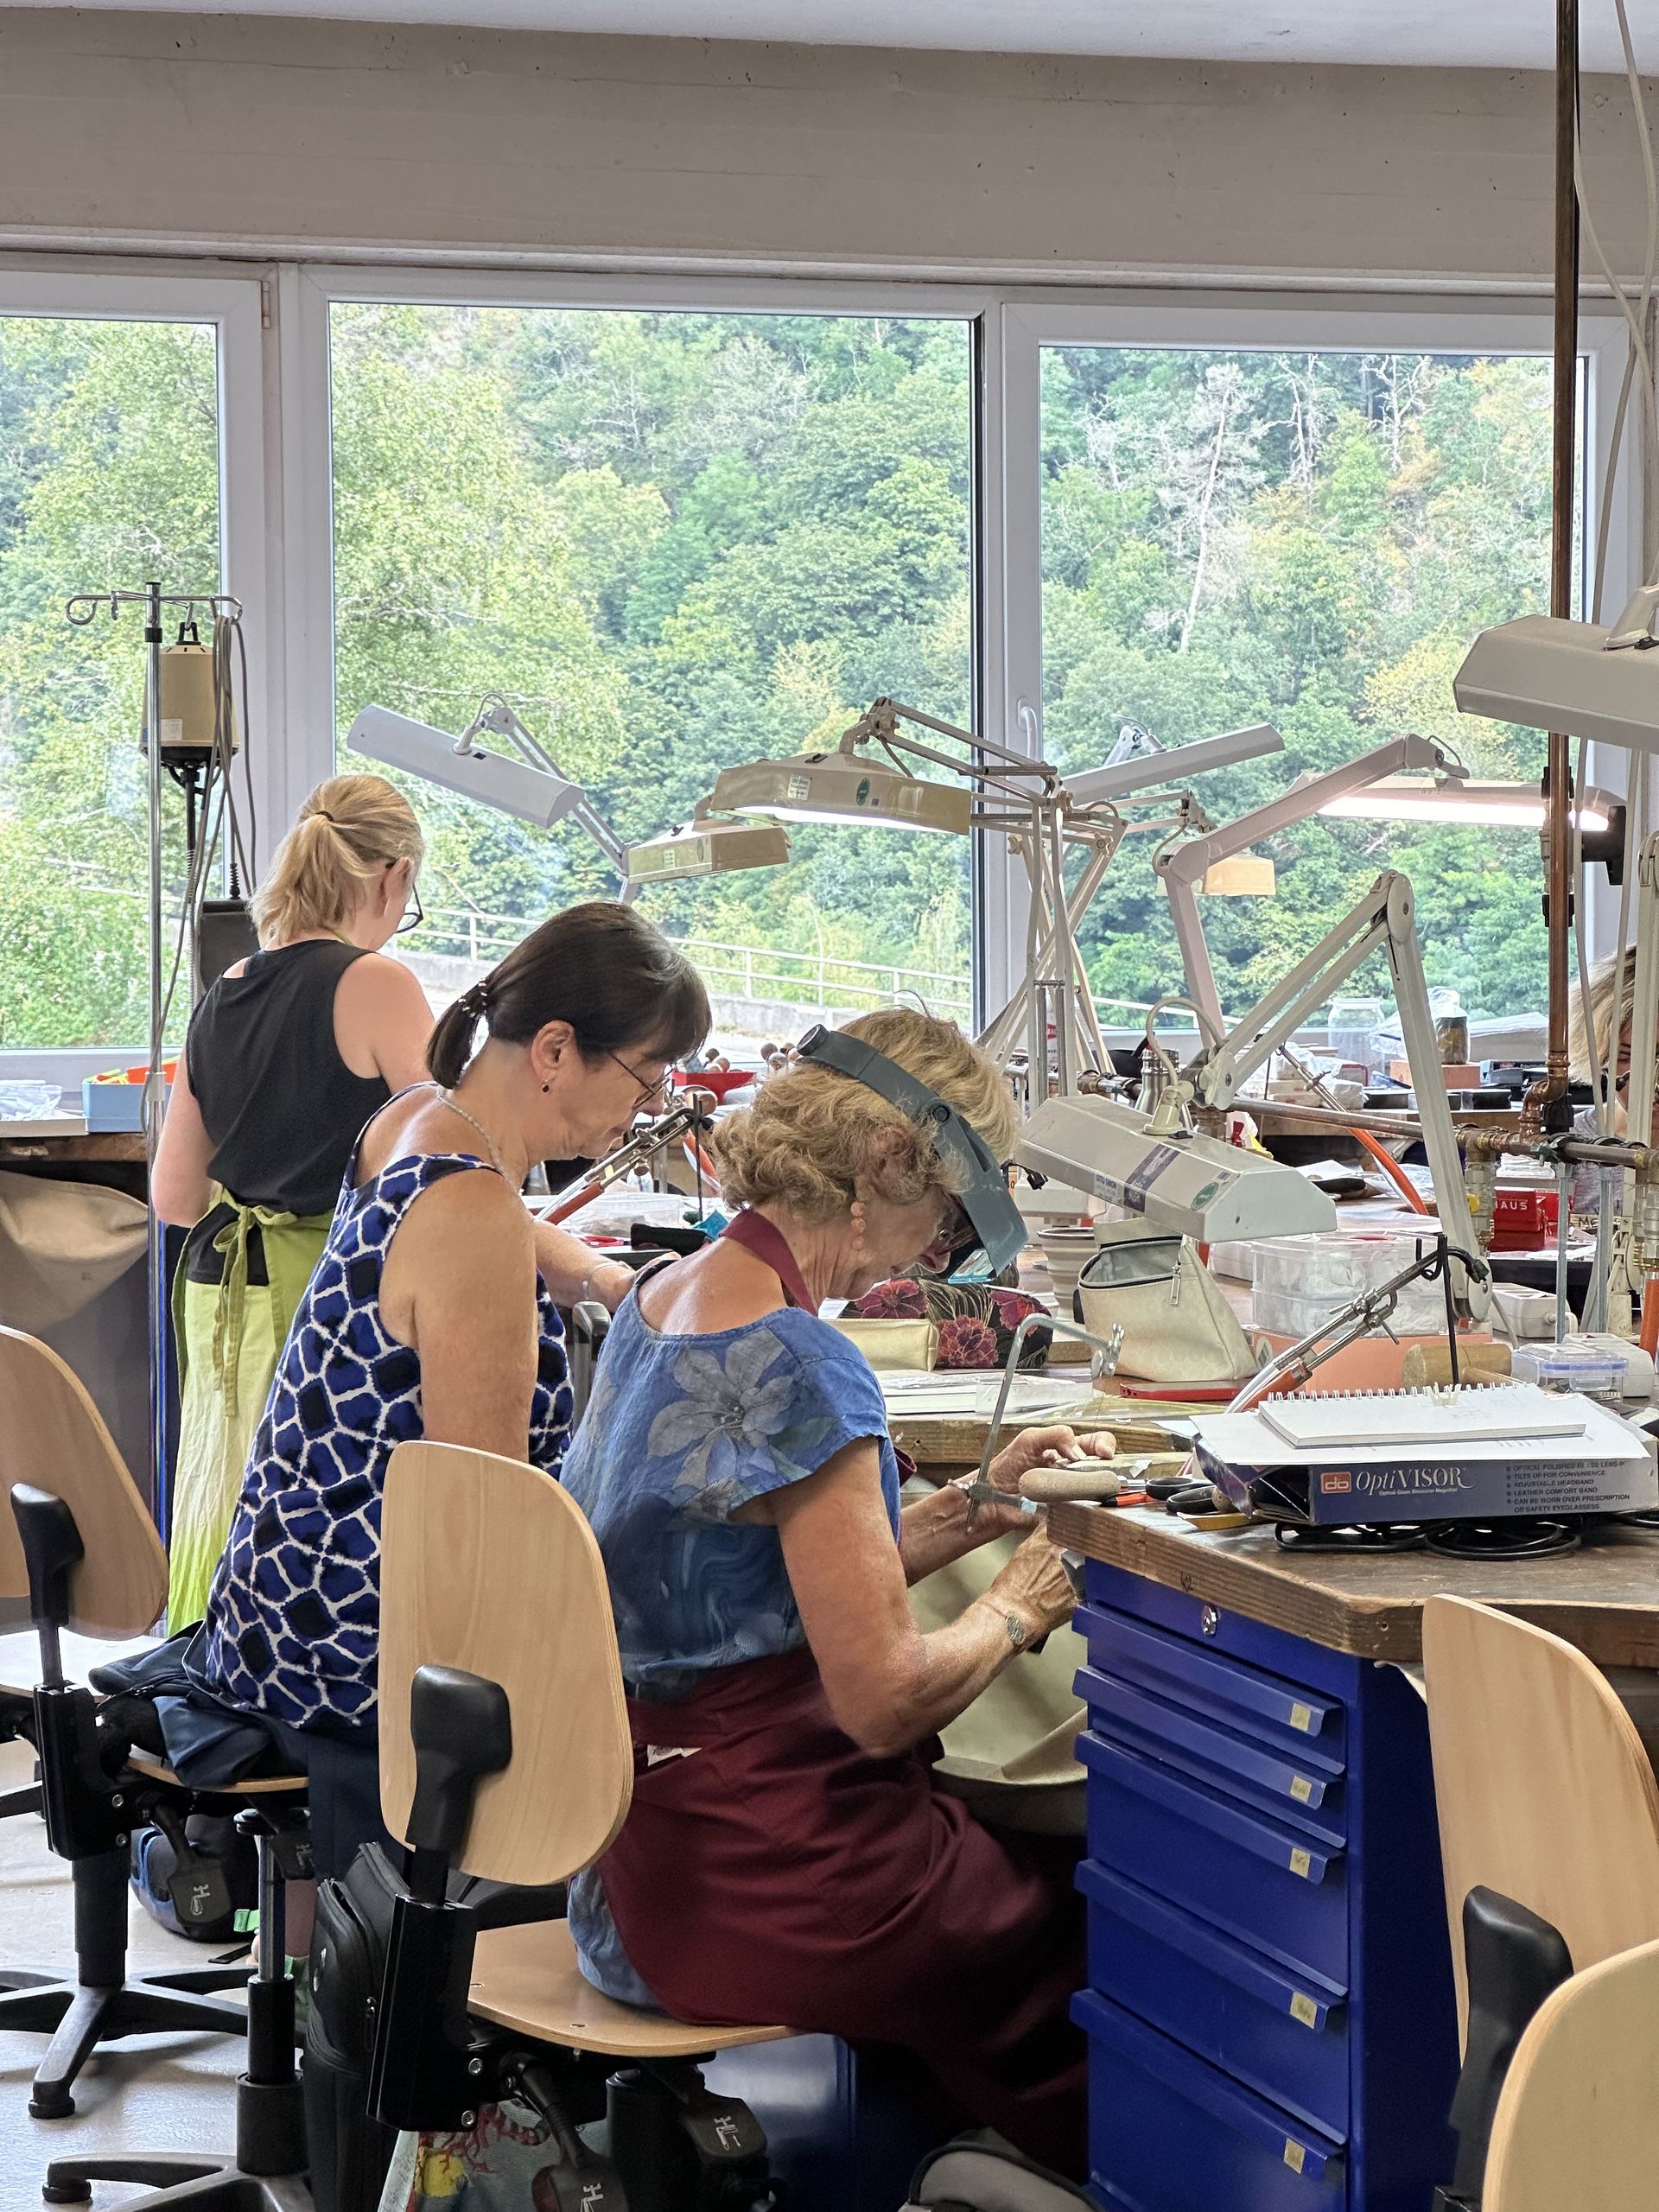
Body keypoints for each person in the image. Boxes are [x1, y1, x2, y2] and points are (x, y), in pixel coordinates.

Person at [561, 1007, 1098, 2173]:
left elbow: (741, 1574)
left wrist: (974, 1506)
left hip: (639, 1863)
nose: (935, 1249)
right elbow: (884, 1702)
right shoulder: (805, 1363)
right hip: (773, 1875)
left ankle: (945, 2160)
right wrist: (1021, 1601)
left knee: (1006, 1872)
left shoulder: (660, 1301)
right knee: (1084, 1919)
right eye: (945, 1211)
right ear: (889, 1162)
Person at [197, 899, 709, 1879]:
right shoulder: (475, 1212)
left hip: (276, 1603)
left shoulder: (416, 1117)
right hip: (365, 1652)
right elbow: (487, 1533)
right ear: (555, 1050)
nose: (647, 1109)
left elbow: (494, 1218)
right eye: (647, 1076)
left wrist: (608, 1280)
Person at [152, 774, 435, 1629]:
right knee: (313, 1527)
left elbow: (175, 1195)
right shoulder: (379, 984)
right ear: (391, 876)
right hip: (322, 1294)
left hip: (220, 1292)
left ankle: (208, 1661)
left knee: (223, 1499)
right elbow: (452, 1162)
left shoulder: (226, 988)